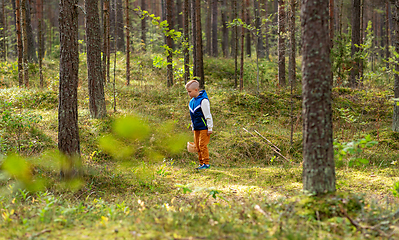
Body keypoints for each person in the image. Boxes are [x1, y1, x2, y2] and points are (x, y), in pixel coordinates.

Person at [185, 80, 213, 170]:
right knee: (197, 146)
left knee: (202, 145)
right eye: (188, 91)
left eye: (190, 91)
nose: (188, 93)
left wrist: (210, 127)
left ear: (196, 90)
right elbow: (192, 116)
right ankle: (201, 163)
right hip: (196, 127)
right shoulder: (191, 102)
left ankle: (206, 163)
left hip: (204, 127)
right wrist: (193, 126)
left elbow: (208, 115)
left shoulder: (203, 101)